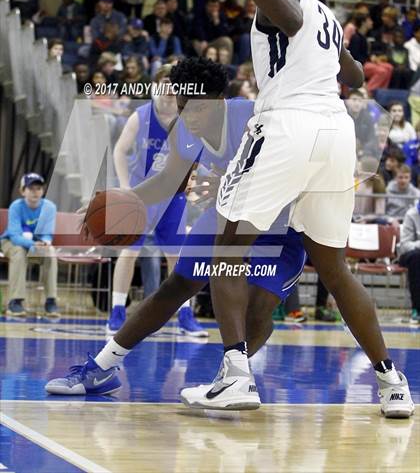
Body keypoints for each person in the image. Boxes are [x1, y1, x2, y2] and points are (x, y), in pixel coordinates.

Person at [183, 0, 413, 417]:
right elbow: (351, 75)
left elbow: (284, 16)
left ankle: (236, 376)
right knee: (333, 267)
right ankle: (392, 381)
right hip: (335, 134)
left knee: (229, 249)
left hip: (288, 125)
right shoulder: (327, 16)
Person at [45, 57, 306, 395]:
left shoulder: (253, 118)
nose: (188, 117)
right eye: (182, 107)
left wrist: (229, 180)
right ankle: (100, 369)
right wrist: (117, 202)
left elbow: (288, 174)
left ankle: (227, 383)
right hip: (227, 214)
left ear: (220, 99)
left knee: (257, 310)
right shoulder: (183, 127)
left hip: (282, 223)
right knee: (176, 284)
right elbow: (168, 180)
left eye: (197, 109)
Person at [107, 65, 205, 336]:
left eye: (175, 84)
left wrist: (193, 182)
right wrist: (125, 186)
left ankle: (185, 314)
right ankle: (117, 311)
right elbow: (119, 150)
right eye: (165, 83)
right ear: (156, 85)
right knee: (129, 252)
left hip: (172, 195)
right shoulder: (141, 116)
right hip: (140, 194)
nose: (170, 89)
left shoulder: (188, 121)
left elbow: (197, 159)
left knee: (178, 256)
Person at [0, 173, 58, 317]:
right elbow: (14, 235)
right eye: (31, 188)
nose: (35, 192)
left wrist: (45, 243)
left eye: (38, 188)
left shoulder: (49, 207)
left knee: (50, 252)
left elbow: (47, 233)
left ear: (43, 191)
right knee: (19, 252)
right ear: (22, 191)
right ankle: (16, 302)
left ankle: (51, 301)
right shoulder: (16, 206)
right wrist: (33, 244)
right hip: (11, 242)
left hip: (36, 244)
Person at [399, 203, 420, 324]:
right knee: (416, 258)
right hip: (411, 255)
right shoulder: (411, 215)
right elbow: (405, 245)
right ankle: (417, 308)